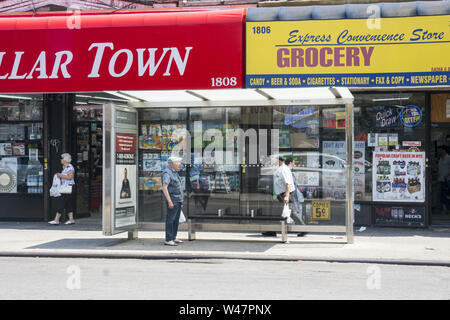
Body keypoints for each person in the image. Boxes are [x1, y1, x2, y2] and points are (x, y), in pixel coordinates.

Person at [262, 156, 296, 237]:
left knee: (283, 212)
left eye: (275, 161)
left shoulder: (283, 169)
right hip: (280, 194)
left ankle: (303, 228)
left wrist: (287, 196)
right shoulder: (280, 169)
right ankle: (272, 230)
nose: (273, 163)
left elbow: (288, 184)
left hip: (284, 194)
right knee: (284, 212)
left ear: (280, 161)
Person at [162, 156, 184, 246]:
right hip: (173, 200)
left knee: (176, 220)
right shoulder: (167, 173)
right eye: (178, 162)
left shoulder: (174, 172)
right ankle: (168, 239)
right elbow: (165, 187)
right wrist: (169, 201)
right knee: (170, 219)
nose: (179, 164)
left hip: (178, 199)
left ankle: (173, 237)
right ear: (172, 164)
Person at [48, 153, 76, 225]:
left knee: (61, 203)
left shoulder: (69, 167)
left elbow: (70, 177)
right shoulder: (66, 167)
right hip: (67, 187)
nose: (61, 160)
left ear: (65, 160)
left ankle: (56, 220)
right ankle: (71, 219)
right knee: (68, 204)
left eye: (62, 158)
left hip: (67, 187)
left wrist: (60, 175)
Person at [436, 146, 450, 213]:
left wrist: (447, 175)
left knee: (447, 194)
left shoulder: (448, 158)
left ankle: (447, 208)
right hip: (440, 179)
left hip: (447, 179)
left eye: (440, 150)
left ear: (443, 150)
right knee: (440, 194)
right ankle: (442, 208)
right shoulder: (440, 159)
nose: (438, 152)